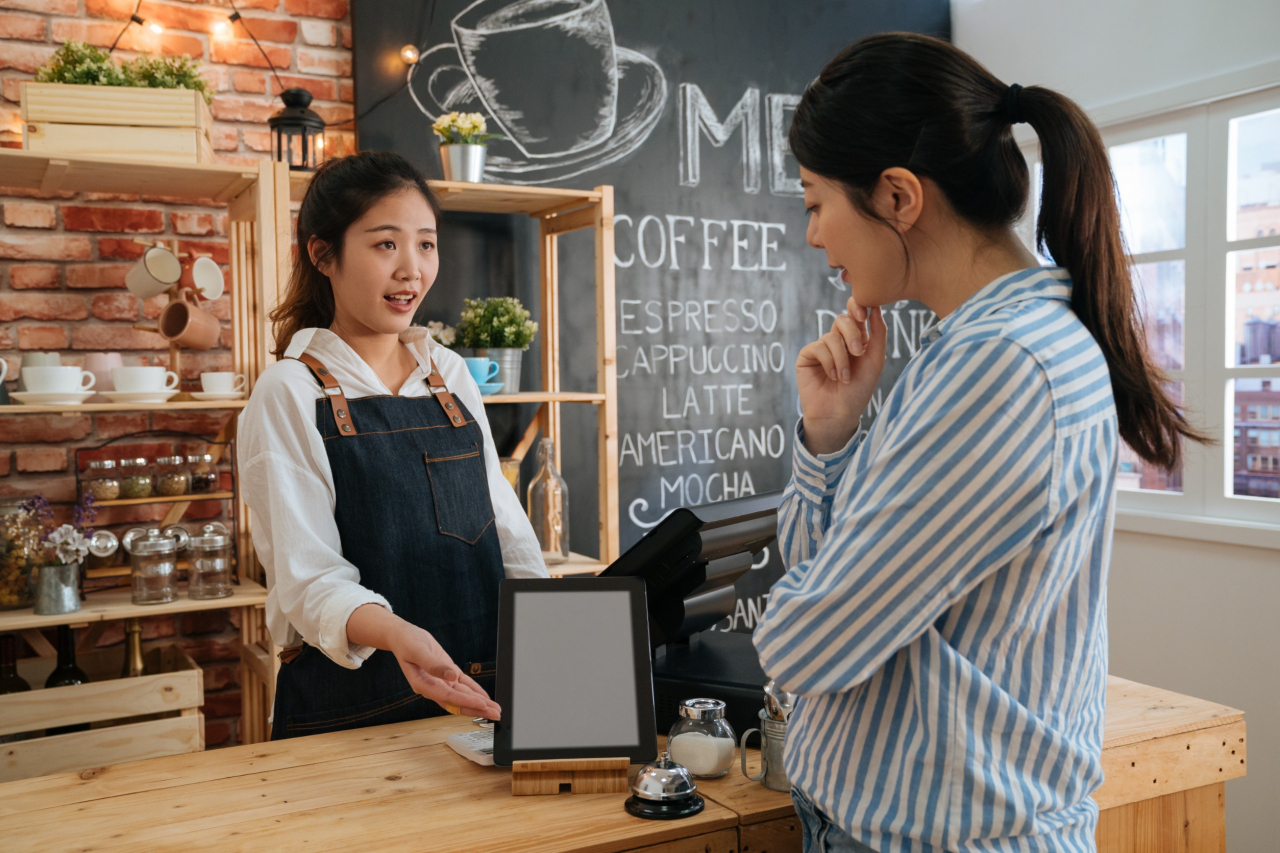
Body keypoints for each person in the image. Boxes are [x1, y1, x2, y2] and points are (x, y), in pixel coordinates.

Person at [752, 33, 1208, 853]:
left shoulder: (1003, 368)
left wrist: (799, 617)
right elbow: (832, 598)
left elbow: (806, 642)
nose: (814, 236)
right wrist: (830, 436)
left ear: (897, 196)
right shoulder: (970, 351)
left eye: (815, 202)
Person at [238, 151, 547, 740]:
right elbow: (309, 582)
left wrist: (553, 630)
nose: (412, 269)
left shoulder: (450, 375)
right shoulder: (289, 392)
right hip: (350, 714)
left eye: (426, 244)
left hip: (478, 698)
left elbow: (507, 531)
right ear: (323, 254)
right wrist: (400, 636)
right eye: (386, 245)